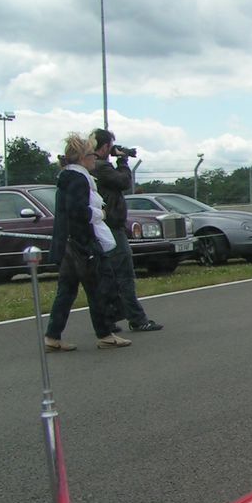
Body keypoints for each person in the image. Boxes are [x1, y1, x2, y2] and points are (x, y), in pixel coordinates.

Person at [44, 133, 131, 351]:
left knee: (67, 290)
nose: (96, 158)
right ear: (83, 157)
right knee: (98, 286)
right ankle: (104, 334)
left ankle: (53, 336)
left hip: (69, 243)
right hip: (81, 243)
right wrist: (98, 214)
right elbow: (77, 211)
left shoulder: (67, 176)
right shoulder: (78, 179)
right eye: (92, 154)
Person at [90, 129, 163, 332]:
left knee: (108, 274)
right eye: (110, 146)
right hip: (111, 227)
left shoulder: (92, 167)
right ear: (105, 147)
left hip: (104, 226)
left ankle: (108, 318)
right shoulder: (101, 167)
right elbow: (123, 182)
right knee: (124, 274)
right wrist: (123, 161)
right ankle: (137, 319)